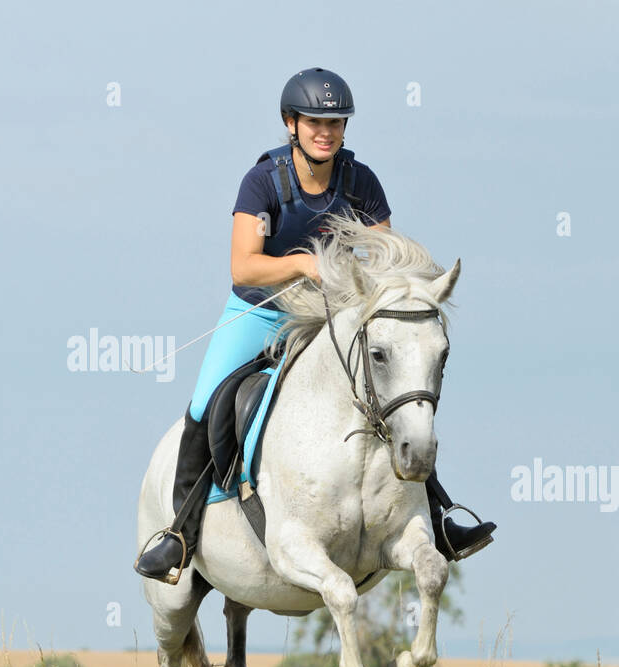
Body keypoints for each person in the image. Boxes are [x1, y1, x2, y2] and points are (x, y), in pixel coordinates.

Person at [136, 67, 495, 582]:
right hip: (261, 310)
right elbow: (244, 266)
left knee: (397, 388)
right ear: (291, 124)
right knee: (204, 400)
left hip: (334, 313)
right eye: (313, 122)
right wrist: (304, 264)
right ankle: (179, 535)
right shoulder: (263, 181)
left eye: (335, 123)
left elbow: (384, 257)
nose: (325, 131)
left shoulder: (360, 181)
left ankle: (437, 516)